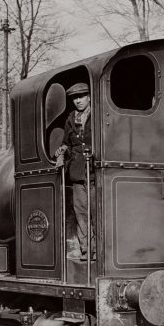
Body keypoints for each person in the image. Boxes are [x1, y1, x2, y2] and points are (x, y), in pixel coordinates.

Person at [55, 82, 96, 261]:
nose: (78, 101)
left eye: (81, 96)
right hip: (78, 172)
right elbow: (66, 143)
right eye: (75, 98)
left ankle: (101, 250)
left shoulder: (99, 115)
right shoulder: (70, 119)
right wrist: (61, 153)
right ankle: (87, 250)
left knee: (97, 212)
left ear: (89, 97)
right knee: (81, 213)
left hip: (97, 172)